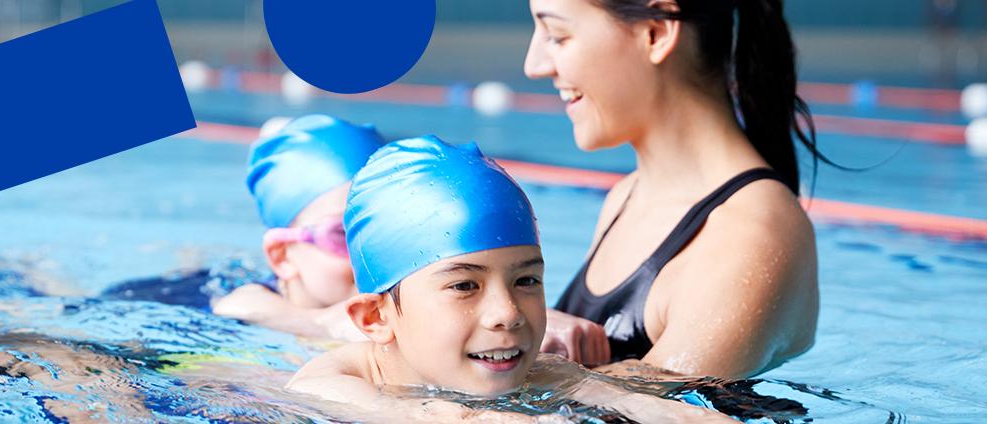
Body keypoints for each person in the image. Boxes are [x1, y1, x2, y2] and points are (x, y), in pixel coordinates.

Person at [287, 136, 730, 422]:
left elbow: (662, 413)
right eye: (464, 286)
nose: (507, 314)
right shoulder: (325, 383)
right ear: (374, 318)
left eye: (526, 281)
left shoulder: (547, 374)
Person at [523, 0, 820, 378]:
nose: (533, 66)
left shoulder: (751, 234)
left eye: (558, 36)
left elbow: (652, 410)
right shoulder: (627, 196)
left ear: (656, 34)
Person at [211, 114, 384, 340]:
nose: (371, 255)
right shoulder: (250, 308)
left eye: (383, 231)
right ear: (283, 256)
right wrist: (325, 324)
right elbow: (237, 306)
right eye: (343, 234)